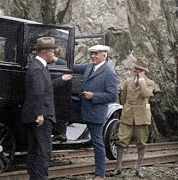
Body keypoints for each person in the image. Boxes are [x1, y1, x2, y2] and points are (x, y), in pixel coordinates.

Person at [21, 36, 73, 180]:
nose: (53, 55)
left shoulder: (37, 66)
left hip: (34, 114)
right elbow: (38, 92)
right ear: (44, 51)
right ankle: (41, 177)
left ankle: (34, 177)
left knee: (34, 148)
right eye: (52, 51)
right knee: (44, 150)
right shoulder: (38, 69)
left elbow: (44, 87)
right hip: (41, 116)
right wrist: (39, 114)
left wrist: (60, 80)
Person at [72, 45, 118, 180]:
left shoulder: (109, 72)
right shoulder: (89, 67)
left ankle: (100, 173)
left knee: (97, 142)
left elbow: (112, 96)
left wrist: (94, 96)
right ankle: (62, 133)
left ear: (104, 55)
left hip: (96, 111)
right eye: (91, 53)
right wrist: (56, 59)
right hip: (83, 108)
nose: (93, 56)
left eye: (96, 54)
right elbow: (72, 66)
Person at [110, 57, 155, 178]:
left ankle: (138, 169)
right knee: (121, 140)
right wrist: (126, 109)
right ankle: (118, 168)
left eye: (139, 69)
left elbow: (146, 94)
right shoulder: (128, 82)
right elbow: (123, 98)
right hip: (128, 115)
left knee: (141, 143)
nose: (136, 70)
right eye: (135, 68)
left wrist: (141, 80)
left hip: (142, 117)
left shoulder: (149, 83)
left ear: (144, 71)